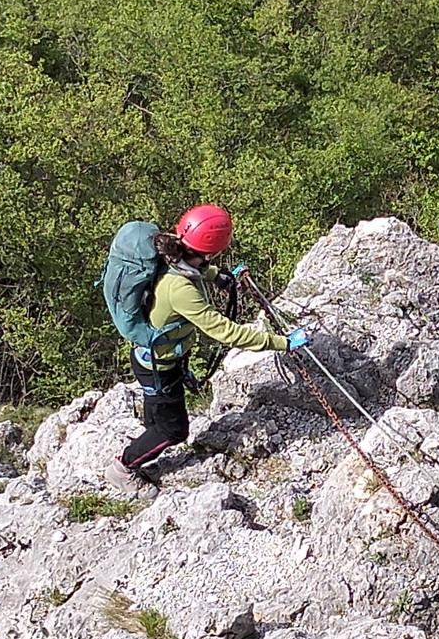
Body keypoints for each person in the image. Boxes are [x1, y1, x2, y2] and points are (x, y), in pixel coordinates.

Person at [105, 204, 310, 498]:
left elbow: (197, 265)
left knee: (159, 416)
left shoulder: (169, 252)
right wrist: (282, 343)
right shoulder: (180, 290)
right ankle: (123, 468)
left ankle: (150, 433)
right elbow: (225, 331)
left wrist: (218, 277)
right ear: (210, 251)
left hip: (157, 360)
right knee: (174, 431)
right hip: (160, 367)